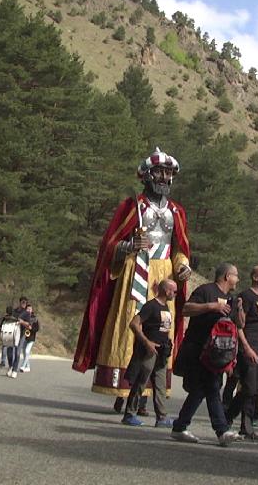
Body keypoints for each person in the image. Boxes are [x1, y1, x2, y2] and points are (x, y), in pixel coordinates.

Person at [73, 148, 191, 408]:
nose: (164, 178)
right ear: (148, 175)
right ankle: (124, 389)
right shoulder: (132, 206)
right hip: (135, 270)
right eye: (160, 172)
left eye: (169, 173)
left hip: (165, 275)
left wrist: (183, 267)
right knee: (131, 325)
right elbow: (109, 246)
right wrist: (129, 246)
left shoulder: (177, 212)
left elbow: (179, 249)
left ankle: (148, 394)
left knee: (161, 329)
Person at [170, 262, 241, 447]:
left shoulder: (231, 299)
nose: (238, 279)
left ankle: (180, 426)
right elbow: (186, 309)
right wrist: (211, 306)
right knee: (211, 388)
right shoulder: (206, 291)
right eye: (235, 275)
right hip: (197, 349)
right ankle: (222, 430)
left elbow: (236, 327)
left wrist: (231, 360)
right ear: (226, 276)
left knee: (202, 390)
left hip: (218, 354)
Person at [226, 265, 258, 443]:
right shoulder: (245, 296)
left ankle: (227, 416)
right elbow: (238, 325)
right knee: (248, 388)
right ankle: (246, 428)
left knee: (254, 390)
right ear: (255, 277)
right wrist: (246, 348)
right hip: (247, 349)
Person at [121, 279, 177, 428]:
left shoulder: (166, 307)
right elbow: (134, 323)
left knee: (160, 385)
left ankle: (162, 418)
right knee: (141, 382)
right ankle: (129, 414)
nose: (175, 294)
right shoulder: (151, 306)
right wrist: (146, 342)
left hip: (162, 352)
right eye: (174, 291)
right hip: (148, 352)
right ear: (167, 291)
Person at [7, 298, 33, 378]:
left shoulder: (27, 313)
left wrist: (22, 322)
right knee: (9, 351)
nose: (23, 303)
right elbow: (9, 319)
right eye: (22, 302)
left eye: (25, 303)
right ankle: (11, 366)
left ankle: (15, 370)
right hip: (12, 333)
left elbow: (28, 324)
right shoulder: (15, 311)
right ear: (20, 302)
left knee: (17, 352)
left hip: (21, 334)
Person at [18, 306, 39, 373]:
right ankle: (28, 366)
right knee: (24, 352)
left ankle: (23, 366)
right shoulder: (23, 317)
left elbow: (37, 329)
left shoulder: (35, 318)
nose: (29, 310)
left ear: (32, 310)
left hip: (31, 338)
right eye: (27, 309)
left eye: (30, 309)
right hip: (24, 337)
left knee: (27, 351)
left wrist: (31, 328)